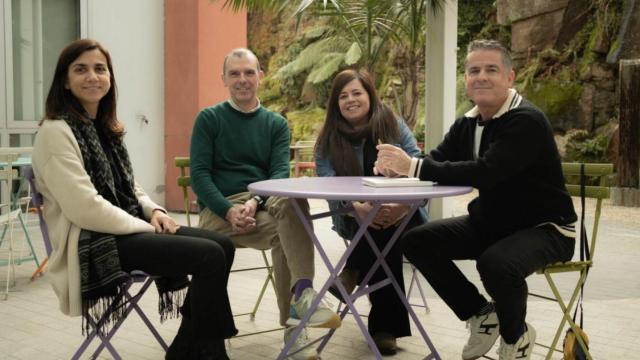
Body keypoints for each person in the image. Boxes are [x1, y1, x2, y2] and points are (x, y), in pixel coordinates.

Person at [32, 39, 237, 360]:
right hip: (93, 240)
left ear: (110, 78)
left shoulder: (104, 129)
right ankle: (206, 353)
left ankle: (187, 347)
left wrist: (153, 210)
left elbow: (130, 186)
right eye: (80, 69)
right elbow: (84, 207)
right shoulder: (55, 132)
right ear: (65, 81)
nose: (92, 77)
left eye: (100, 69)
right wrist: (143, 226)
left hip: (126, 229)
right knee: (209, 255)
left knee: (223, 245)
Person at [375, 39, 577, 360]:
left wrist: (411, 164)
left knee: (495, 264)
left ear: (510, 77)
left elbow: (486, 172)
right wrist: (395, 171)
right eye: (474, 70)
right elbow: (437, 162)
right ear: (466, 80)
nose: (481, 76)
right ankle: (481, 314)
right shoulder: (468, 123)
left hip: (547, 229)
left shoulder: (526, 120)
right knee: (416, 242)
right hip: (494, 224)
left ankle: (516, 337)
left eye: (491, 69)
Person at [190, 48, 341, 360]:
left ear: (260, 76)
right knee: (287, 234)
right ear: (224, 80)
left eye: (249, 72)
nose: (242, 80)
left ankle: (300, 303)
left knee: (290, 203)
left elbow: (278, 175)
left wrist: (255, 200)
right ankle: (299, 319)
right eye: (235, 73)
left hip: (261, 204)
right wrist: (229, 209)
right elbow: (200, 176)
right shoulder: (209, 119)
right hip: (218, 211)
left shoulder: (275, 123)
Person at [315, 69, 427, 355]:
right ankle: (384, 329)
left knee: (386, 228)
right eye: (343, 96)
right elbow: (325, 183)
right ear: (335, 103)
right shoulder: (329, 137)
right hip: (354, 219)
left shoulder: (391, 123)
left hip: (404, 213)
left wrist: (402, 206)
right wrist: (355, 208)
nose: (350, 100)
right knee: (381, 233)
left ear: (369, 95)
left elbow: (420, 165)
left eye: (356, 93)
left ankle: (352, 268)